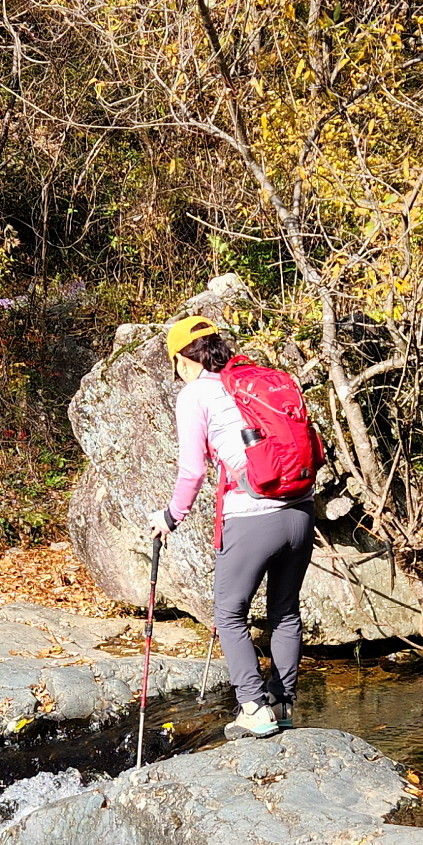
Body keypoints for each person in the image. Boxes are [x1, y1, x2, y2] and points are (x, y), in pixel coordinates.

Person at [149, 316, 315, 740]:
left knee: (228, 612)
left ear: (182, 360)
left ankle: (253, 708)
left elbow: (193, 471)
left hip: (252, 517)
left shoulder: (195, 394)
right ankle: (282, 705)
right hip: (301, 511)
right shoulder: (256, 380)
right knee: (285, 611)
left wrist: (170, 516)